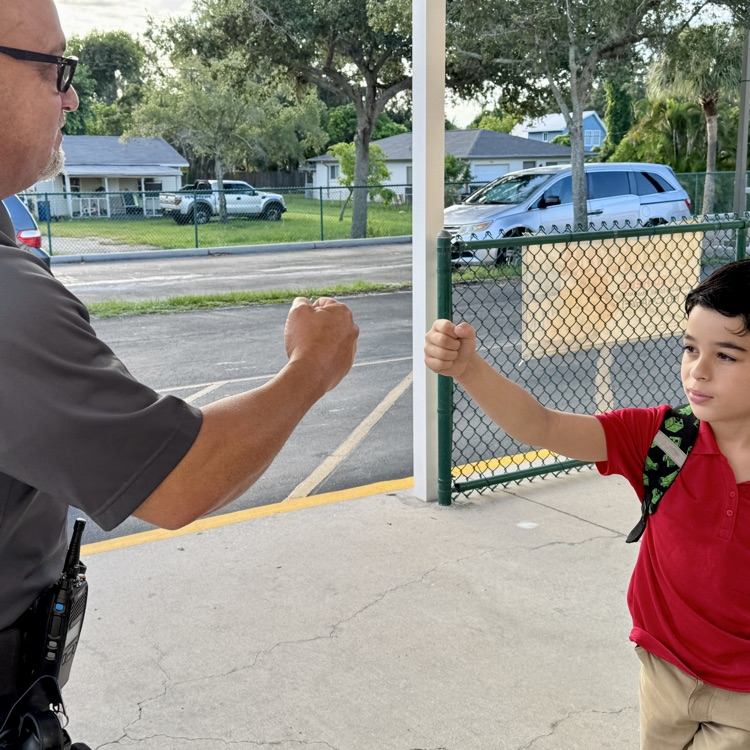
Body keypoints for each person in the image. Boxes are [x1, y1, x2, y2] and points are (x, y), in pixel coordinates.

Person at [0, 0, 358, 722]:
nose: (71, 94)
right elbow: (178, 482)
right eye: (56, 69)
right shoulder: (10, 306)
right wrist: (311, 369)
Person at [425, 259, 750, 749]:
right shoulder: (662, 438)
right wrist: (468, 369)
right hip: (662, 668)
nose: (697, 370)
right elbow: (544, 426)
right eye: (689, 348)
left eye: (726, 355)